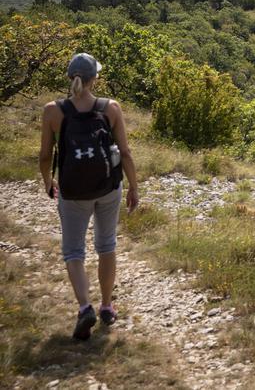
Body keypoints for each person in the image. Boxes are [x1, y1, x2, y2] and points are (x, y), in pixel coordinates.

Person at [39, 53, 139, 340]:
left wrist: (49, 182)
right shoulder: (111, 108)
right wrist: (133, 187)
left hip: (71, 192)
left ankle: (85, 308)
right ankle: (107, 306)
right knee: (106, 245)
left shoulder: (52, 111)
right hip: (108, 187)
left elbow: (45, 156)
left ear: (71, 77)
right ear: (95, 78)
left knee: (73, 250)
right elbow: (126, 153)